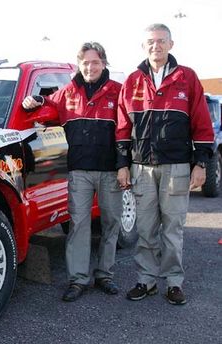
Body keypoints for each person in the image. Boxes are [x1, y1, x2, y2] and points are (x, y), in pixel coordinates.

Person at [115, 23, 214, 305]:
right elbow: (122, 127)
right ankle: (146, 281)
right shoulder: (133, 81)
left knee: (172, 229)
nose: (155, 46)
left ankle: (173, 282)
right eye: (150, 41)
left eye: (161, 41)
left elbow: (202, 125)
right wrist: (123, 164)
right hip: (142, 167)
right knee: (145, 229)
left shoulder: (187, 77)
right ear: (143, 46)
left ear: (171, 44)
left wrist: (201, 164)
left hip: (177, 167)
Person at [23, 42, 122, 302]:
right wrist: (36, 100)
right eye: (86, 62)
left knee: (111, 223)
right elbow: (46, 105)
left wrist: (127, 166)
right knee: (78, 225)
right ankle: (78, 280)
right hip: (79, 172)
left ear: (104, 63)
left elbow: (128, 130)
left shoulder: (118, 92)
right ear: (79, 64)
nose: (90, 67)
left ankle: (105, 275)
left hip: (110, 171)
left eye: (96, 62)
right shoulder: (67, 93)